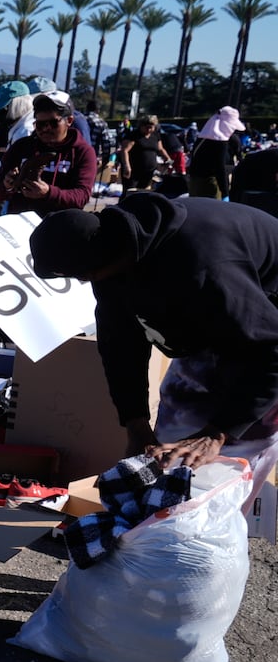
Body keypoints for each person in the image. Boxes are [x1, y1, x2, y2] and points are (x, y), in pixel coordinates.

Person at [30, 194, 278, 471]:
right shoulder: (113, 248)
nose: (83, 281)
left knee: (238, 448)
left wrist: (217, 433)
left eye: (83, 276)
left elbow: (271, 348)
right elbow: (120, 345)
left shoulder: (204, 267)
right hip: (231, 312)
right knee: (177, 430)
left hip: (265, 318)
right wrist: (136, 425)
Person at [0, 92, 97, 215]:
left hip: (61, 225)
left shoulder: (83, 152)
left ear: (69, 121)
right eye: (40, 124)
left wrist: (48, 192)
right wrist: (7, 186)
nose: (45, 129)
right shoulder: (21, 147)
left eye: (53, 123)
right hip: (21, 224)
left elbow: (82, 196)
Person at [187, 106, 244, 199]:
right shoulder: (220, 140)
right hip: (210, 184)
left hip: (195, 181)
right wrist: (225, 193)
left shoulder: (204, 136)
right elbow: (220, 168)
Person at [118, 115, 171, 192]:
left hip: (149, 171)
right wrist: (127, 166)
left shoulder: (155, 135)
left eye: (151, 127)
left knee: (143, 192)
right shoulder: (133, 135)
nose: (149, 130)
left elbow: (160, 149)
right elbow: (124, 150)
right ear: (141, 126)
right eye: (147, 127)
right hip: (133, 170)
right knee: (130, 191)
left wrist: (168, 159)